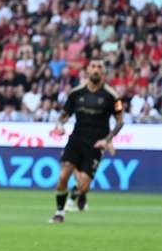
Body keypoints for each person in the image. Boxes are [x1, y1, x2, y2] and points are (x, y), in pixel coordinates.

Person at [49, 60, 124, 223]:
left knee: (82, 184)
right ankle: (59, 213)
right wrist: (59, 126)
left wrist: (107, 140)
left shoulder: (111, 96)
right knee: (63, 176)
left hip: (96, 143)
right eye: (93, 67)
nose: (96, 70)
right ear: (87, 71)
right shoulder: (76, 93)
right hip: (76, 139)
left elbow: (120, 121)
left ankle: (81, 195)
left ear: (104, 73)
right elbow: (63, 115)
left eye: (99, 67)